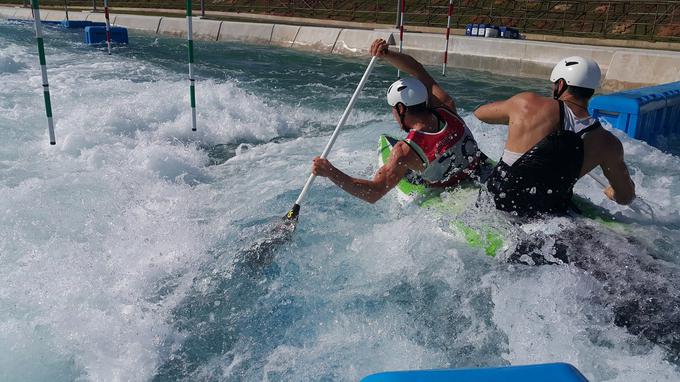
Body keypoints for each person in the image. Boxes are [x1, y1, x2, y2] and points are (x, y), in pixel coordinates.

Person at [311, 38, 485, 203]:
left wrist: (331, 172)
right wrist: (388, 54)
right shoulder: (446, 106)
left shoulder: (404, 152)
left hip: (448, 190)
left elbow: (374, 192)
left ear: (401, 109)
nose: (393, 114)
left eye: (393, 109)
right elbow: (417, 69)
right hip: (479, 170)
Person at [474, 56, 635, 216]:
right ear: (591, 91)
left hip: (496, 202)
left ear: (561, 84)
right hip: (548, 215)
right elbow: (626, 197)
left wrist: (515, 119)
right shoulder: (608, 143)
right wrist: (613, 192)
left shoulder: (526, 103)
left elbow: (480, 114)